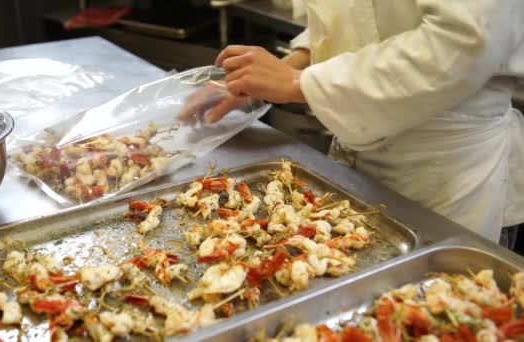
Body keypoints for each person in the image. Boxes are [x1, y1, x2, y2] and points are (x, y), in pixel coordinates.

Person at [178, 0, 524, 244]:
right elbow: (358, 19)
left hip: (446, 174)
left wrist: (298, 84)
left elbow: (463, 41)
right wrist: (284, 69)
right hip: (358, 155)